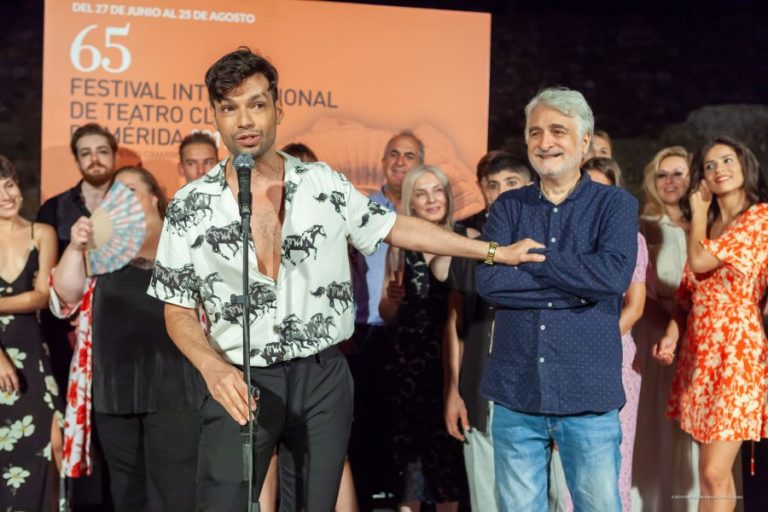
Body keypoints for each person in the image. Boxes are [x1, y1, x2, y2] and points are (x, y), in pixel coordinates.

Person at [149, 47, 535, 512]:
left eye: (257, 104)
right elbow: (176, 308)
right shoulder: (190, 205)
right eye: (229, 108)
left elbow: (395, 226)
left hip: (322, 377)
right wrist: (211, 367)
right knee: (223, 503)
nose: (244, 120)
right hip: (236, 374)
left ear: (278, 109)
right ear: (215, 115)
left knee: (315, 503)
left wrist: (494, 251)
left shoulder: (322, 183)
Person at [477, 87, 638, 510]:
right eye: (535, 132)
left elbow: (612, 277)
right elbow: (489, 283)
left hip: (588, 395)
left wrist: (533, 261)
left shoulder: (616, 205)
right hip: (516, 393)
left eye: (557, 131)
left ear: (585, 141)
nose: (544, 141)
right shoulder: (508, 207)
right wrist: (579, 289)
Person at [51, 166, 204, 511]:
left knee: (177, 492)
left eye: (130, 191)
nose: (120, 199)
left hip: (177, 387)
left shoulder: (185, 240)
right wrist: (75, 246)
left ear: (154, 196)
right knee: (126, 493)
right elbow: (64, 297)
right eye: (113, 195)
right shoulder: (99, 248)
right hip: (114, 390)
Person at [653, 136, 768, 512]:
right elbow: (687, 297)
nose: (720, 170)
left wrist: (698, 210)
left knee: (713, 471)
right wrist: (672, 335)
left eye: (728, 160)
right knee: (714, 477)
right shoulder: (709, 225)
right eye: (710, 165)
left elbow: (701, 262)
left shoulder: (760, 218)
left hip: (737, 353)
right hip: (699, 355)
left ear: (745, 164)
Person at [440, 153, 533, 511]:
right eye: (493, 185)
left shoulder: (547, 248)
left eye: (511, 183)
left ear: (531, 187)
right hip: (480, 389)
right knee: (485, 498)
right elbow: (455, 323)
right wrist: (453, 389)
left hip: (532, 392)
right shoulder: (471, 250)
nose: (501, 192)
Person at [378, 164, 473, 512]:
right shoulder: (401, 244)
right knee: (410, 459)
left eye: (437, 191)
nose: (431, 199)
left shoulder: (469, 238)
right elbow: (387, 312)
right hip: (409, 366)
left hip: (453, 359)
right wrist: (393, 299)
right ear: (410, 202)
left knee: (448, 455)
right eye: (421, 193)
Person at [348, 130, 425, 509]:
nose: (400, 162)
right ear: (383, 162)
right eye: (394, 154)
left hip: (419, 338)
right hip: (365, 334)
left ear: (421, 164)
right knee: (362, 425)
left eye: (409, 155)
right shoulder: (362, 210)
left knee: (410, 428)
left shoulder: (428, 211)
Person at [633, 145, 698, 512]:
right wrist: (674, 331)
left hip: (702, 340)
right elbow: (642, 292)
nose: (669, 181)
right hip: (658, 339)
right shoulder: (645, 225)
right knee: (657, 430)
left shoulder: (707, 225)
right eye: (662, 175)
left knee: (696, 433)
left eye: (678, 173)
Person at [584, 157, 647, 512]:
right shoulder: (561, 238)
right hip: (565, 364)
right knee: (572, 473)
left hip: (615, 362)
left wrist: (592, 344)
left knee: (613, 469)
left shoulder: (632, 240)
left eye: (601, 189)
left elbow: (634, 308)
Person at [0, 155, 63, 511]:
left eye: (8, 185)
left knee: (50, 447)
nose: (5, 196)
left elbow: (40, 296)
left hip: (33, 359)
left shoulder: (42, 233)